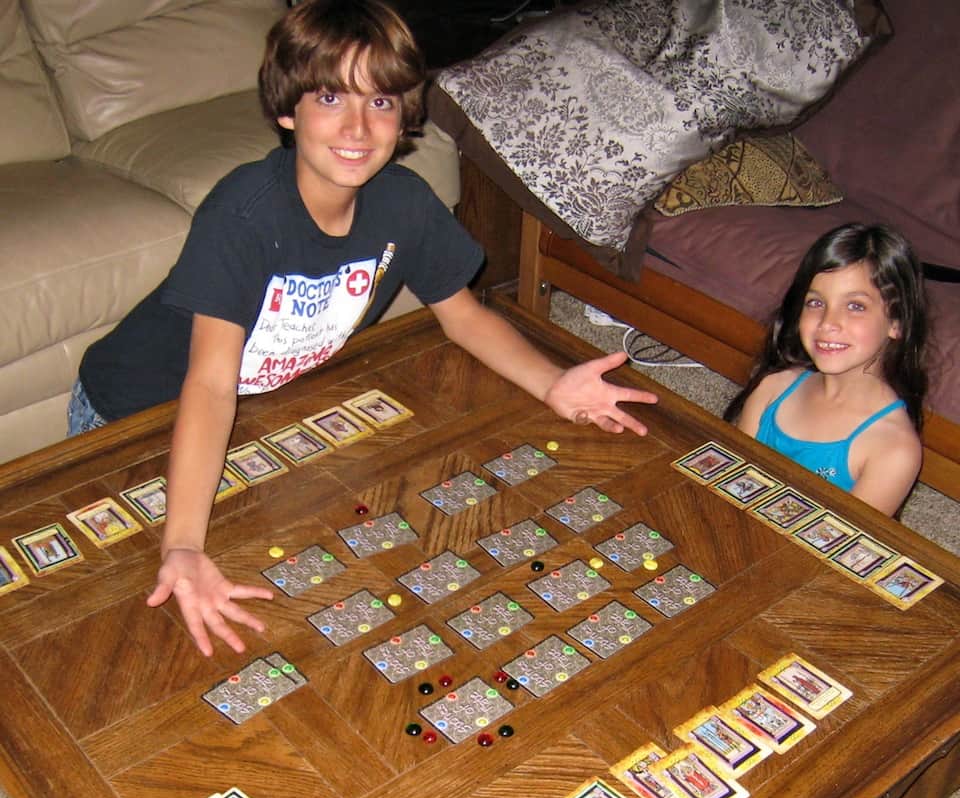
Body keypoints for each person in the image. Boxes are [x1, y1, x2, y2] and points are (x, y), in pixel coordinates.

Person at [68, 0, 658, 656]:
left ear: (405, 113)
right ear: (287, 111)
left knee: (259, 600)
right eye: (330, 97)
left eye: (380, 102)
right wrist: (181, 543)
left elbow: (461, 314)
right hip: (129, 412)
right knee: (141, 606)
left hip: (250, 409)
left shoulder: (403, 204)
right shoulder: (242, 215)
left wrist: (554, 384)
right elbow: (209, 384)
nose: (357, 126)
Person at [724, 223, 928, 516]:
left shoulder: (893, 448)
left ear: (897, 322)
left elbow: (839, 548)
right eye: (816, 302)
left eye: (855, 306)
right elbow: (730, 486)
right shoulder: (773, 388)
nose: (828, 322)